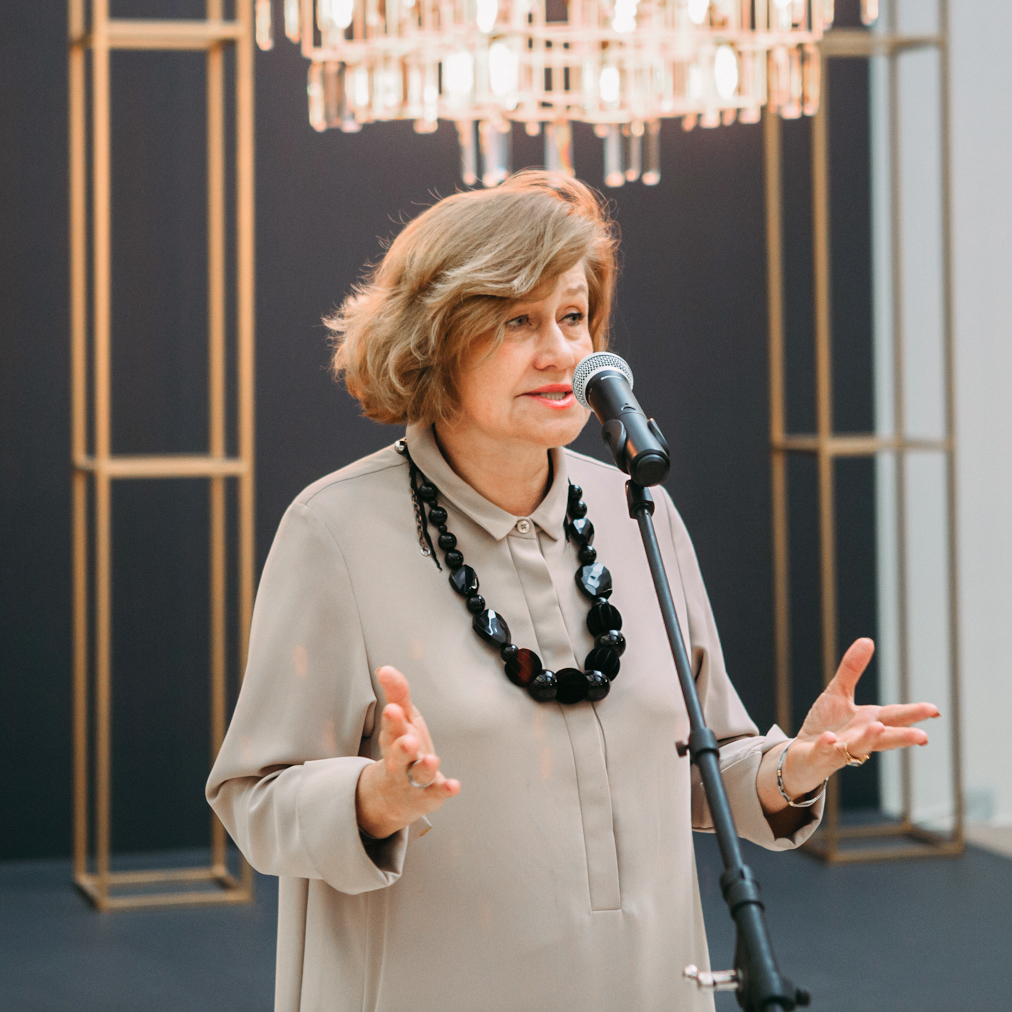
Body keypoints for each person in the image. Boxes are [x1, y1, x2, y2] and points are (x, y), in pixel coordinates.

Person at [206, 171, 938, 1012]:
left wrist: (794, 767)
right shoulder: (334, 531)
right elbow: (253, 797)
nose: (562, 353)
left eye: (573, 316)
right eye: (518, 321)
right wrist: (373, 799)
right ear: (435, 338)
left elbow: (701, 766)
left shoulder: (639, 508)